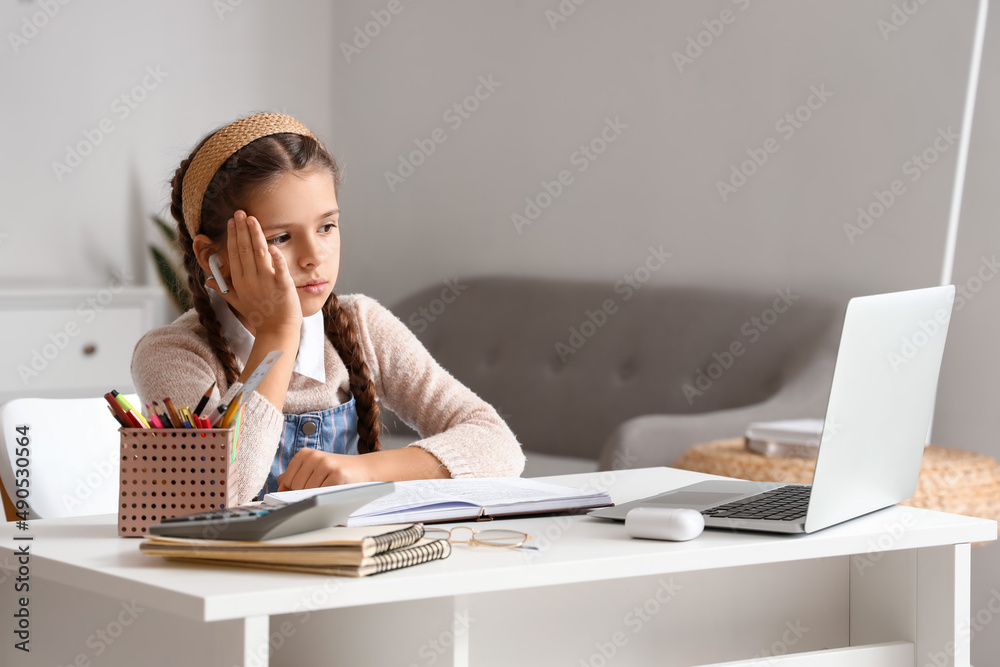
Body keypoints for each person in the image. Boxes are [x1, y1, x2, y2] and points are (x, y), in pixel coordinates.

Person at [131, 112, 525, 506]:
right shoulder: (172, 355)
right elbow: (215, 496)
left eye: (326, 227)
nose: (313, 257)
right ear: (211, 256)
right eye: (281, 237)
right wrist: (277, 333)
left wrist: (364, 471)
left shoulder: (361, 325)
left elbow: (499, 445)